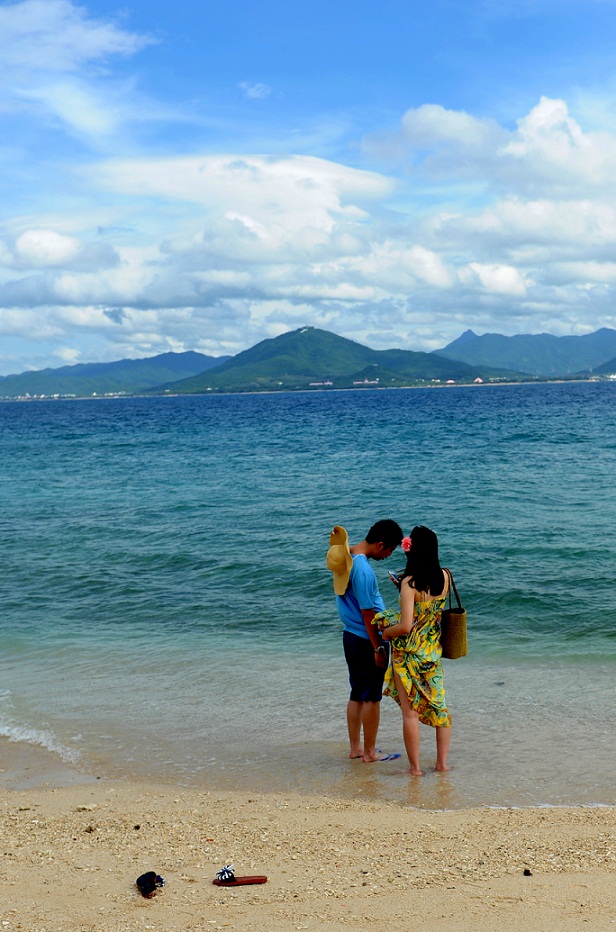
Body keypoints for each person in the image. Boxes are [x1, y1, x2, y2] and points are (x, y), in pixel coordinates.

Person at [377, 525, 452, 776]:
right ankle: (441, 764)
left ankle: (415, 769)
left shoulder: (410, 583)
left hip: (408, 655)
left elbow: (406, 625)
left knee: (410, 714)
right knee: (439, 707)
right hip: (432, 653)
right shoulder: (445, 576)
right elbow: (432, 615)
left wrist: (387, 632)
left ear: (412, 551)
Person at [326, 519, 403, 763]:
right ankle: (369, 753)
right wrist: (378, 647)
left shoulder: (348, 562)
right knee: (372, 696)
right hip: (367, 639)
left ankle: (356, 748)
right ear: (380, 545)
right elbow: (368, 613)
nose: (389, 555)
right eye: (390, 550)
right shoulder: (364, 571)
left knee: (357, 693)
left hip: (350, 635)